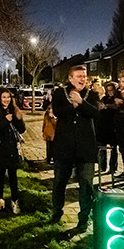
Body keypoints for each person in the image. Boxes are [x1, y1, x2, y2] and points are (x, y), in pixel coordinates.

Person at [50, 65, 100, 226]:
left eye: (84, 76)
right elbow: (58, 112)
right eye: (79, 76)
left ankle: (84, 217)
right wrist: (72, 106)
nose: (82, 79)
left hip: (85, 147)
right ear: (71, 78)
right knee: (60, 181)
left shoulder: (92, 94)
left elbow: (95, 112)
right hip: (64, 146)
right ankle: (57, 211)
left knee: (86, 183)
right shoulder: (59, 93)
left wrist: (80, 102)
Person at [0, 88, 26, 214]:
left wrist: (19, 118)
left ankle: (14, 201)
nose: (6, 100)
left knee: (13, 175)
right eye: (4, 97)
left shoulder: (13, 110)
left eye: (8, 97)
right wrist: (5, 120)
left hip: (11, 147)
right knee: (0, 175)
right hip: (0, 147)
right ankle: (0, 200)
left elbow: (21, 130)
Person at [97, 81, 120, 174]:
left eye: (112, 90)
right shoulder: (104, 98)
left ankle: (113, 168)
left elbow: (117, 107)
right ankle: (102, 166)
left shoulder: (117, 98)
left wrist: (107, 106)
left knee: (114, 148)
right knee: (102, 148)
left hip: (113, 127)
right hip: (104, 126)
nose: (110, 92)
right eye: (108, 90)